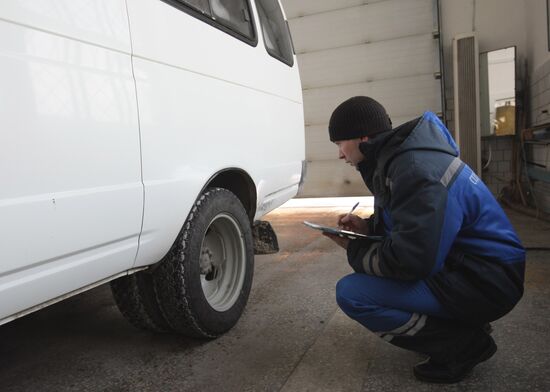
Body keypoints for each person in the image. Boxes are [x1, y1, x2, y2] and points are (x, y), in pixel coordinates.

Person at [323, 96, 525, 384]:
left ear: (363, 137)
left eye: (339, 144)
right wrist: (368, 229)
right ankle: (464, 322)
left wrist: (356, 248)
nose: (340, 155)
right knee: (375, 278)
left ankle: (464, 346)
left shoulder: (414, 170)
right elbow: (413, 226)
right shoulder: (401, 159)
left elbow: (412, 262)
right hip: (479, 270)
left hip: (488, 281)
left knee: (354, 293)